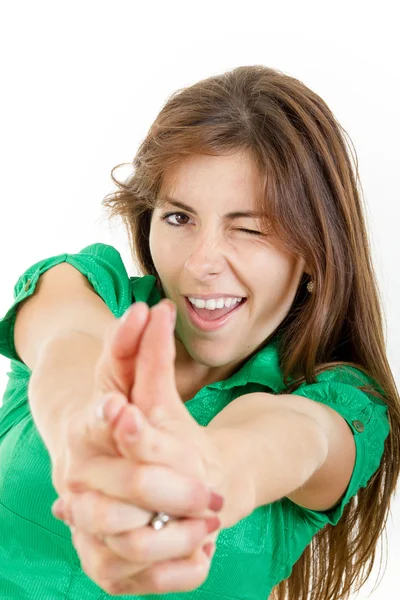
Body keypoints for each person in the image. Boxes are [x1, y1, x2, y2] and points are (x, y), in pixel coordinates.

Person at [0, 64, 398, 600]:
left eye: (251, 228)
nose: (202, 262)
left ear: (314, 254)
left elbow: (285, 441)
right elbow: (70, 348)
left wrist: (204, 469)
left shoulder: (343, 407)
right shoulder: (81, 287)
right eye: (179, 219)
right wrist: (84, 430)